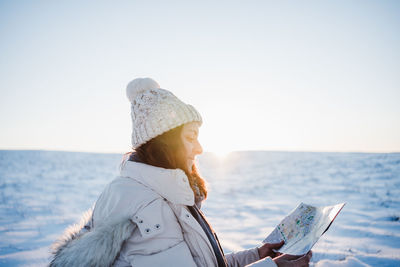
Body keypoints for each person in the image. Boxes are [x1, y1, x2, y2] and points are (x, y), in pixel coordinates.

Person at [50, 78, 312, 267]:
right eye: (190, 137)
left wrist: (258, 255)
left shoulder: (156, 191)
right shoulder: (149, 206)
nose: (199, 148)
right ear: (165, 142)